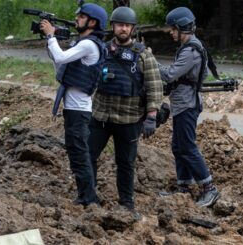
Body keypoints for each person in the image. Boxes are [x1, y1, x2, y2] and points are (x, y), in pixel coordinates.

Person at [88, 6, 163, 217]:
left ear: (132, 29)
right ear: (113, 26)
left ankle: (127, 205)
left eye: (127, 26)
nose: (123, 29)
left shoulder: (143, 55)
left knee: (125, 164)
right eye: (120, 25)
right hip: (101, 116)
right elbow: (89, 78)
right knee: (88, 155)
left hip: (129, 119)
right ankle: (88, 196)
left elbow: (155, 86)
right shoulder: (101, 50)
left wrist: (151, 116)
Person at [40, 3, 108, 206]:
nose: (76, 19)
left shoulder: (88, 45)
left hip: (79, 111)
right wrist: (50, 40)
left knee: (79, 153)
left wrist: (52, 36)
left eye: (81, 17)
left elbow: (60, 56)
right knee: (76, 152)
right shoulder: (84, 43)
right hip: (73, 109)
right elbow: (61, 65)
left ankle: (89, 198)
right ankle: (85, 196)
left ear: (92, 22)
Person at [157, 7, 220, 207]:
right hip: (182, 103)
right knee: (178, 146)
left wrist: (149, 61)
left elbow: (169, 75)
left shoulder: (191, 51)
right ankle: (183, 188)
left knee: (187, 146)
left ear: (183, 28)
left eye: (173, 28)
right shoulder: (188, 47)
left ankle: (209, 188)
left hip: (187, 105)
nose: (171, 32)